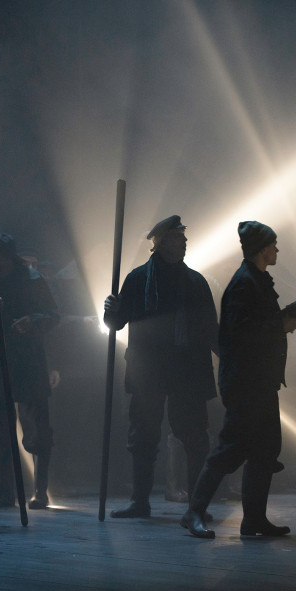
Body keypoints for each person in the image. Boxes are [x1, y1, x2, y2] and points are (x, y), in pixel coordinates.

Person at [181, 221, 296, 539]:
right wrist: (283, 323)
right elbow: (242, 334)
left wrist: (281, 321)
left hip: (258, 382)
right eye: (273, 245)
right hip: (246, 383)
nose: (277, 250)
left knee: (264, 450)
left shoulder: (255, 280)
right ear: (262, 249)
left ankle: (253, 520)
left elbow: (253, 327)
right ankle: (194, 512)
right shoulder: (245, 283)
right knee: (231, 448)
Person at [104, 215, 219, 518]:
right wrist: (110, 311)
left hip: (187, 373)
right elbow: (116, 323)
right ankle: (139, 501)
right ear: (158, 244)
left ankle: (196, 504)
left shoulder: (195, 282)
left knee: (195, 438)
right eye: (173, 240)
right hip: (148, 372)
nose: (179, 245)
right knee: (143, 437)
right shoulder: (138, 279)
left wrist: (230, 360)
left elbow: (210, 330)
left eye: (182, 240)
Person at [0, 234, 59, 510]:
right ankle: (5, 491)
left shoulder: (32, 279)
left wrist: (33, 321)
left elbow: (54, 315)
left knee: (38, 431)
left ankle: (40, 491)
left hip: (27, 362)